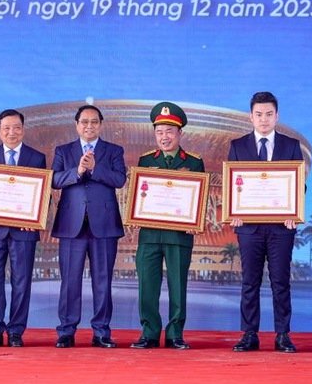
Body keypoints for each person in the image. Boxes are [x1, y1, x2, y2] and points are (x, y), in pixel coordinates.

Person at [228, 91, 303, 353]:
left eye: (269, 114)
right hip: (248, 227)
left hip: (282, 227)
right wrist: (234, 209)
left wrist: (293, 210)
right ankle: (249, 334)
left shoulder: (291, 145)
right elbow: (232, 183)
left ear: (277, 116)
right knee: (250, 281)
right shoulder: (238, 146)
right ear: (251, 116)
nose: (264, 119)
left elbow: (299, 185)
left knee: (281, 282)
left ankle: (283, 334)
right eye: (259, 114)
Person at [50, 104, 126, 348]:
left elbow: (120, 179)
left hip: (104, 225)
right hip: (71, 226)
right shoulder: (63, 150)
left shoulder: (114, 150)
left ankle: (101, 332)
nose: (89, 126)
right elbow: (54, 179)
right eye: (84, 122)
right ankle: (66, 331)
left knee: (102, 281)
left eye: (94, 122)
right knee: (69, 282)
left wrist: (94, 169)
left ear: (101, 125)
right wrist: (78, 170)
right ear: (76, 125)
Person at [130, 102, 205, 350]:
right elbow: (139, 194)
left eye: (169, 132)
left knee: (178, 286)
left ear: (180, 133)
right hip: (149, 235)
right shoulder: (145, 160)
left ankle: (175, 334)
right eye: (159, 132)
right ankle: (149, 333)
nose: (164, 137)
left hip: (179, 235)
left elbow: (200, 197)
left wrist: (196, 219)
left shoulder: (194, 162)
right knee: (147, 286)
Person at [0, 109, 46, 348]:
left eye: (16, 127)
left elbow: (44, 192)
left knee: (22, 281)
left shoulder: (37, 158)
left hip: (24, 231)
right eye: (6, 128)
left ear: (23, 130)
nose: (11, 132)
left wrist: (35, 216)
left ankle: (16, 330)